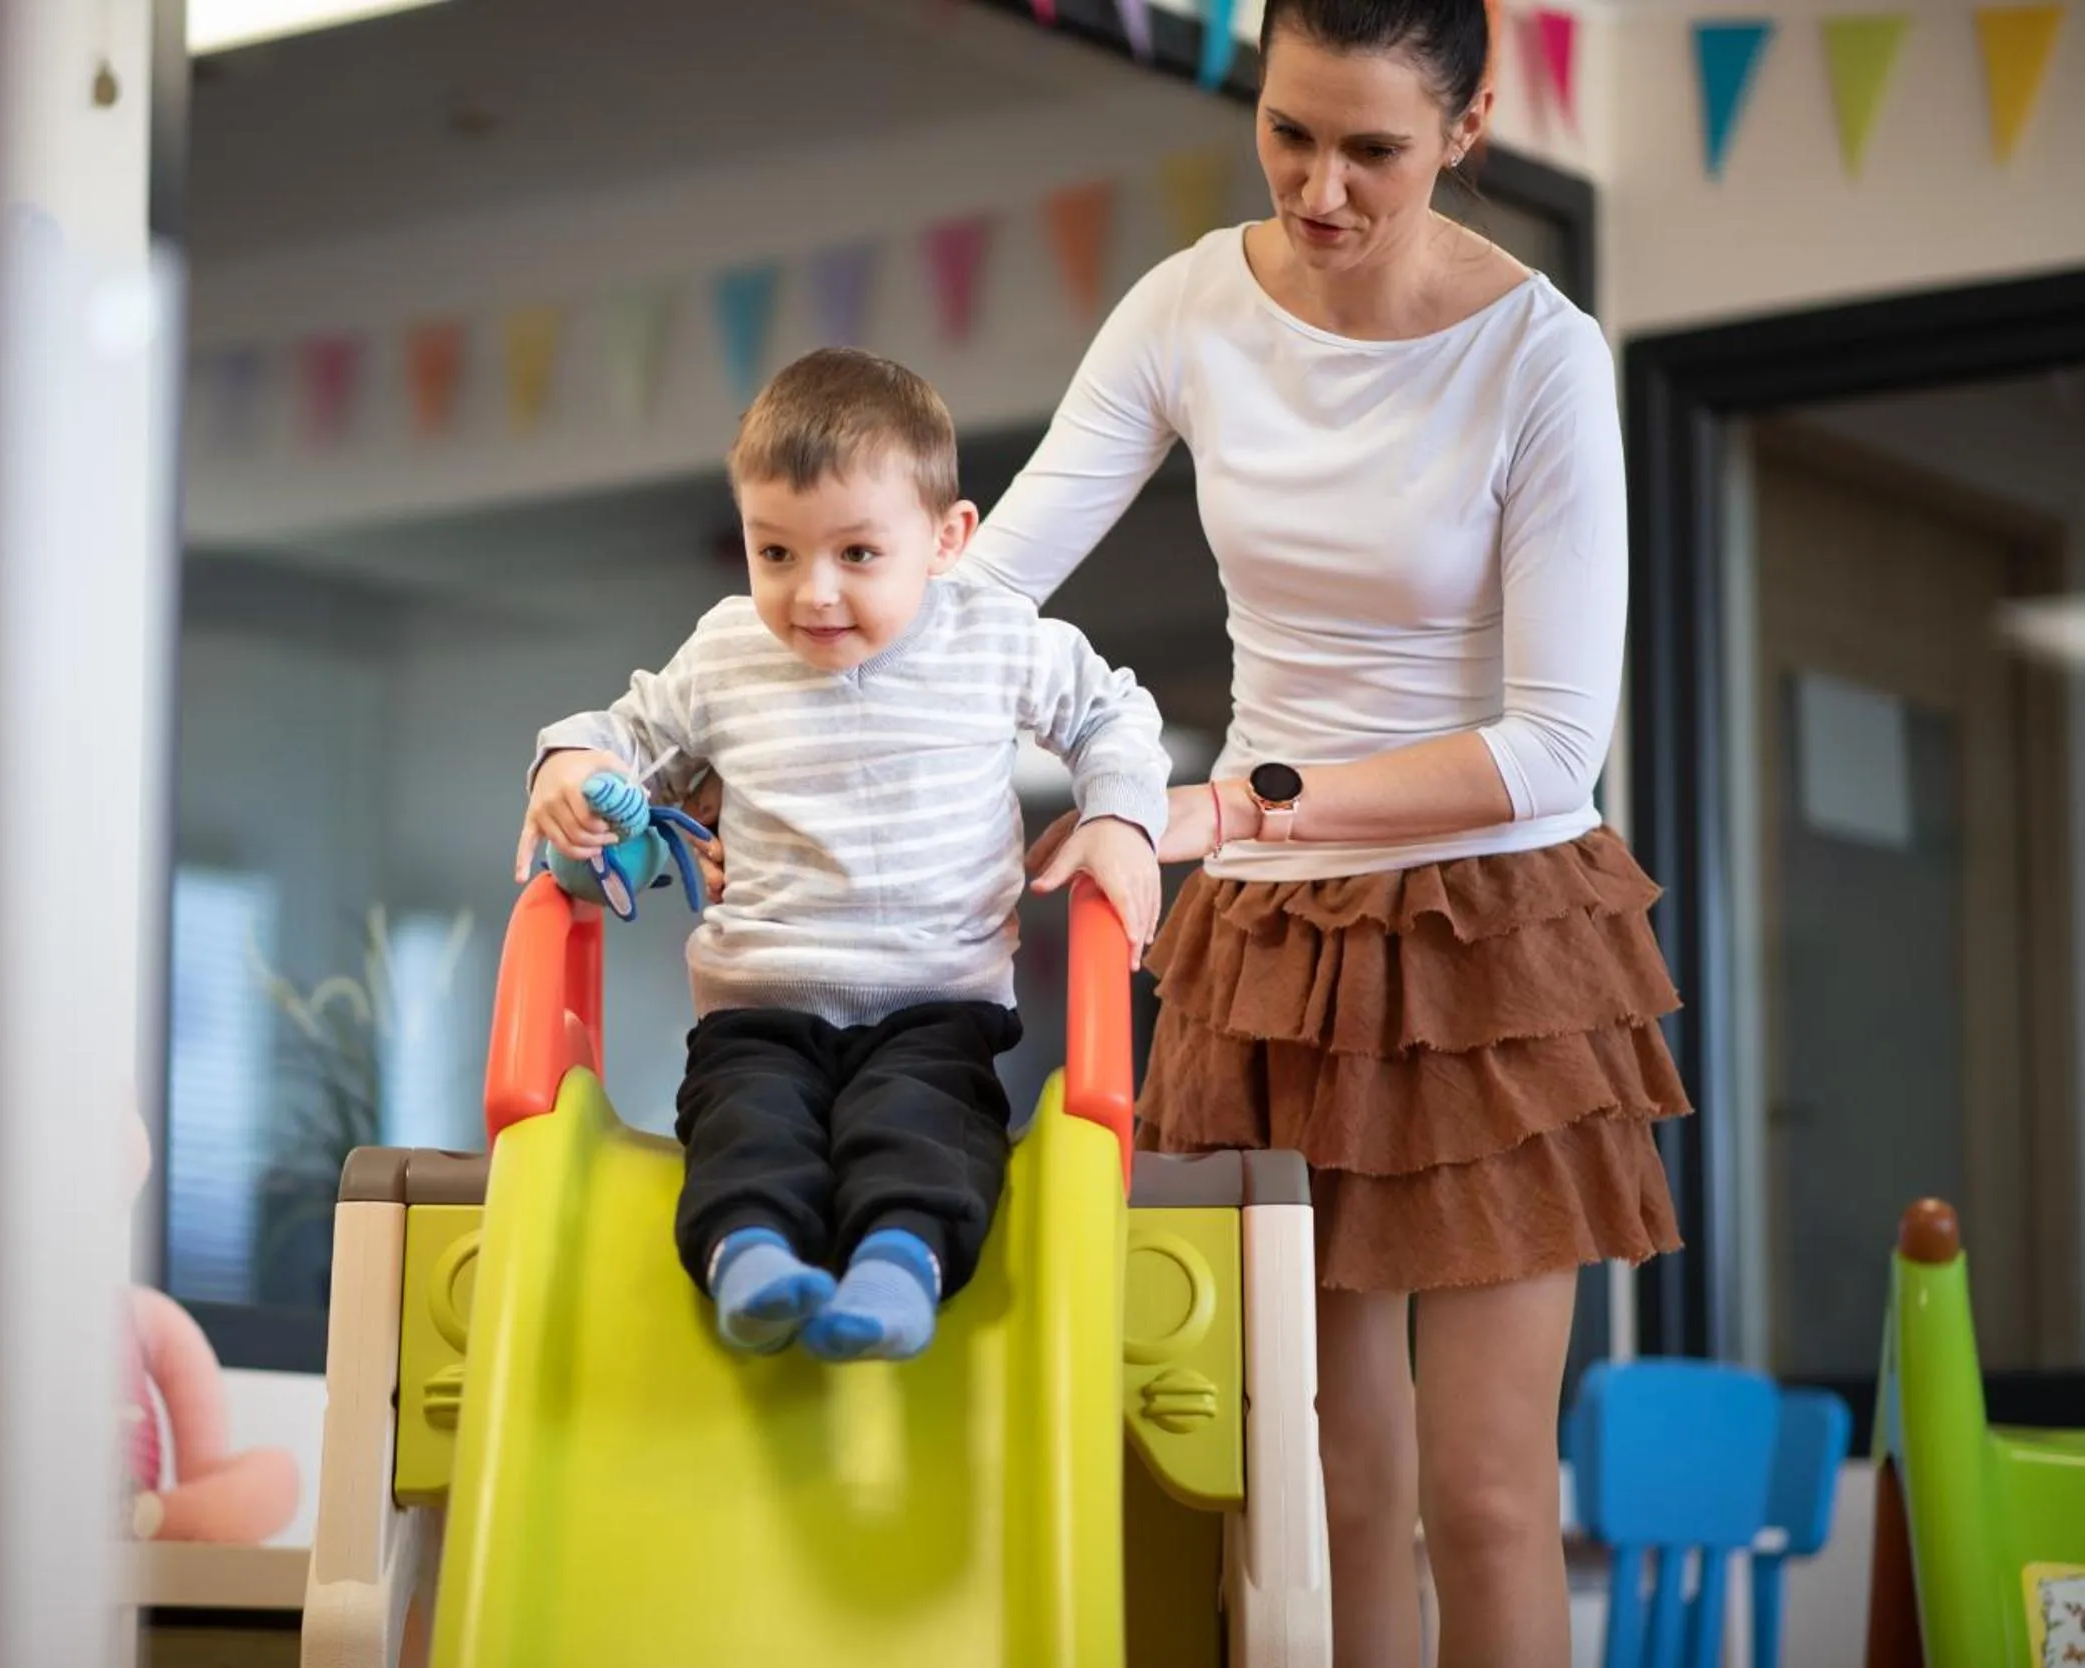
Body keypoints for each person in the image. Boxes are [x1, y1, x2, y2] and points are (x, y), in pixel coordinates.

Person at [971, 2, 1687, 1660]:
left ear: (1469, 127)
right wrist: (726, 720)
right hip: (1282, 949)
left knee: (1488, 1492)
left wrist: (1225, 804)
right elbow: (986, 589)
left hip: (1495, 937)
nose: (1322, 187)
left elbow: (1552, 745)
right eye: (1292, 132)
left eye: (1373, 146)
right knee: (1323, 1478)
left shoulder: (1539, 355)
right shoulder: (1188, 307)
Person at [519, 347, 1170, 1363]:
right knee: (741, 1130)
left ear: (946, 538)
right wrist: (568, 761)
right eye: (774, 554)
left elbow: (1111, 713)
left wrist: (1120, 816)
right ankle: (753, 1266)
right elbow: (627, 732)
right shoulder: (729, 648)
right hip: (761, 1002)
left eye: (857, 554)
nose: (812, 593)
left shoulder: (992, 640)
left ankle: (894, 1276)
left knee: (922, 1136)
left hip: (934, 999)